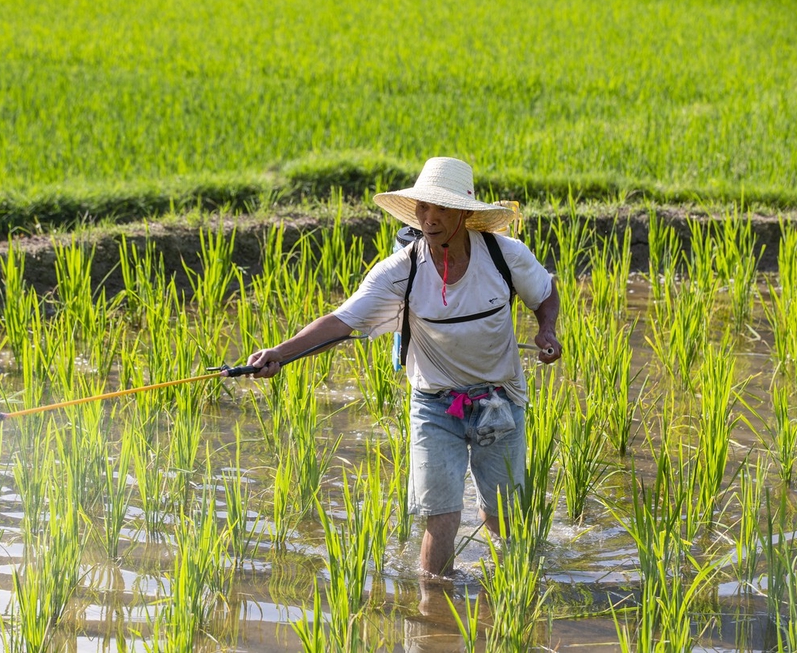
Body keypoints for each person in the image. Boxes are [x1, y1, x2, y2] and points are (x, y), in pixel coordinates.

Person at [238, 156, 561, 576]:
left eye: (440, 208)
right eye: (422, 208)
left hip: (499, 398)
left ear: (464, 212)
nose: (429, 218)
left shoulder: (505, 256)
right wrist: (278, 353)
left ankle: (513, 594)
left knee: (501, 518)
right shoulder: (401, 270)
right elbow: (340, 322)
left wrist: (547, 331)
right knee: (441, 516)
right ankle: (433, 613)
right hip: (434, 406)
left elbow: (545, 293)